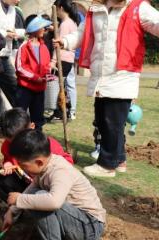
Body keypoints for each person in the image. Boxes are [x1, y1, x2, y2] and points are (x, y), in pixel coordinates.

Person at [54, 0, 159, 177]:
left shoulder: (137, 7)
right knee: (104, 120)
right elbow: (82, 33)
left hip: (122, 73)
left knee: (113, 123)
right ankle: (119, 159)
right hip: (101, 73)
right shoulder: (96, 8)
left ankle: (107, 165)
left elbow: (156, 22)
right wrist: (65, 41)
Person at [2, 129, 106, 240]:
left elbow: (54, 202)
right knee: (36, 194)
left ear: (39, 162)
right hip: (75, 221)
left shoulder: (60, 170)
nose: (21, 168)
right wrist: (12, 211)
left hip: (90, 226)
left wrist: (19, 199)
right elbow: (31, 189)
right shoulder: (44, 168)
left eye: (23, 165)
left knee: (41, 196)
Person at [0, 108, 74, 202]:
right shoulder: (7, 146)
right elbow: (9, 159)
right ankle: (17, 208)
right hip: (28, 182)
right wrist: (8, 163)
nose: (17, 144)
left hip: (47, 186)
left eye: (20, 139)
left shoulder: (46, 144)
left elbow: (66, 164)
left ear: (32, 127)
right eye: (12, 142)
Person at [15, 15, 52, 131]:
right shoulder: (24, 46)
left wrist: (47, 74)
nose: (45, 30)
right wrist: (35, 77)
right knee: (20, 115)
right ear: (35, 29)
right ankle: (17, 137)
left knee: (38, 117)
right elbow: (20, 67)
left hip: (40, 89)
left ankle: (37, 137)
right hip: (25, 88)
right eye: (42, 27)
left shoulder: (44, 47)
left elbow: (46, 65)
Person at [49, 0, 79, 121]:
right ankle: (66, 111)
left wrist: (53, 60)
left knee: (58, 87)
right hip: (69, 59)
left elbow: (58, 46)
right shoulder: (72, 23)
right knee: (65, 86)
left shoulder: (65, 24)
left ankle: (60, 111)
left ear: (60, 8)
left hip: (63, 59)